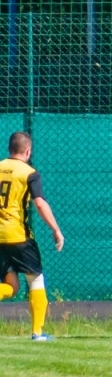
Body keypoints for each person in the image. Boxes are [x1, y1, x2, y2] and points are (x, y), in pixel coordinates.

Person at [0, 132, 65, 341]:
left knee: (11, 287)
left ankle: (38, 333)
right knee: (35, 279)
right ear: (28, 151)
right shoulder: (29, 173)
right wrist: (56, 229)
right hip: (18, 236)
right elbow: (39, 203)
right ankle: (37, 332)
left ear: (9, 148)